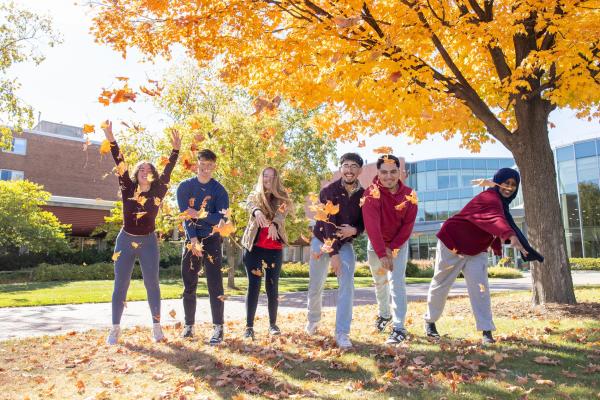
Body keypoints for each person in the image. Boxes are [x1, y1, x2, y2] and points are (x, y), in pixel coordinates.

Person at [423, 168, 543, 344]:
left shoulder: (503, 205)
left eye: (513, 185)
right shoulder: (489, 198)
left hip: (476, 249)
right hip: (453, 243)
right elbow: (495, 219)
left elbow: (500, 219)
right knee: (441, 284)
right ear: (497, 182)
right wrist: (510, 236)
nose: (509, 188)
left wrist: (519, 242)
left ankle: (486, 331)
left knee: (481, 289)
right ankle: (430, 322)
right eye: (506, 183)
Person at [103, 121, 180, 345]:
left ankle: (156, 327)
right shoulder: (127, 186)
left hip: (148, 242)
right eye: (142, 169)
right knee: (121, 285)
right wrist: (111, 137)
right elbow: (119, 161)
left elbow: (168, 170)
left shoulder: (159, 190)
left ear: (153, 175)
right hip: (125, 240)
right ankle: (115, 328)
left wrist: (175, 151)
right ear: (137, 174)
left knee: (152, 283)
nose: (145, 172)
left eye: (149, 170)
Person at [306, 153, 365, 350]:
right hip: (321, 241)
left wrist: (355, 230)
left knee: (347, 285)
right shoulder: (328, 191)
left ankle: (342, 333)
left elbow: (365, 222)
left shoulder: (364, 195)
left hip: (345, 243)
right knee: (316, 285)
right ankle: (313, 321)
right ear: (340, 169)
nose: (349, 169)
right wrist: (334, 255)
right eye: (346, 165)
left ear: (360, 170)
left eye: (354, 166)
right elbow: (326, 223)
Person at [362, 154, 418, 345]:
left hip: (398, 244)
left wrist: (392, 249)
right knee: (380, 282)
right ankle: (384, 315)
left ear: (399, 172)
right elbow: (372, 226)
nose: (388, 176)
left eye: (393, 171)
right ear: (378, 172)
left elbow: (407, 226)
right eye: (384, 172)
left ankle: (399, 327)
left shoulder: (410, 195)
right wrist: (381, 252)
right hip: (375, 243)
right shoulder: (370, 193)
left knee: (396, 282)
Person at [176, 149, 229, 345]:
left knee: (215, 284)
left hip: (212, 240)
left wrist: (200, 215)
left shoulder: (220, 190)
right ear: (197, 164)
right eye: (203, 165)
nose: (206, 169)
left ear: (214, 166)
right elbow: (185, 217)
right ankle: (189, 325)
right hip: (192, 239)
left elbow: (222, 218)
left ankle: (218, 328)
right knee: (189, 283)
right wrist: (193, 240)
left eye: (210, 165)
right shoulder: (185, 187)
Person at [240, 167, 292, 339]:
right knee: (253, 286)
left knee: (272, 286)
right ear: (261, 177)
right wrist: (257, 211)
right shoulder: (254, 195)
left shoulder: (283, 197)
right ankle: (249, 327)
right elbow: (250, 205)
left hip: (273, 249)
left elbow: (281, 216)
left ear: (276, 179)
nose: (268, 179)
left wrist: (273, 225)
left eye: (271, 176)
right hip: (254, 248)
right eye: (265, 176)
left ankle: (272, 324)